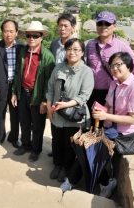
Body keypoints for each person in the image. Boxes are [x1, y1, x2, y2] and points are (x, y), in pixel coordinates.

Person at [61, 52, 134, 198]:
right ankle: (76, 180)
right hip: (110, 127)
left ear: (128, 65)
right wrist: (100, 110)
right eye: (112, 65)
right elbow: (108, 105)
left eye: (118, 64)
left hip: (127, 133)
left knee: (93, 147)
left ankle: (101, 182)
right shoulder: (114, 83)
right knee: (83, 142)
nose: (115, 68)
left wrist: (106, 116)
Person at [86, 11, 134, 127]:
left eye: (107, 24)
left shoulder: (121, 47)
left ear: (114, 26)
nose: (103, 27)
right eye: (100, 24)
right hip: (91, 93)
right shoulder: (90, 45)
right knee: (90, 126)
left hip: (110, 94)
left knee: (106, 127)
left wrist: (127, 91)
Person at [46, 38, 94, 182]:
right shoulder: (58, 67)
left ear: (82, 52)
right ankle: (57, 164)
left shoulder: (86, 72)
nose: (71, 52)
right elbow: (50, 88)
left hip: (74, 116)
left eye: (76, 49)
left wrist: (65, 105)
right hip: (56, 113)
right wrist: (49, 107)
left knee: (70, 144)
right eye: (68, 49)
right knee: (57, 141)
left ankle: (65, 168)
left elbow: (84, 96)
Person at [11, 21, 55, 162]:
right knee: (24, 122)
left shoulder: (47, 56)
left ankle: (36, 149)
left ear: (41, 37)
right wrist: (14, 92)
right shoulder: (24, 51)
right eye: (29, 35)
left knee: (37, 125)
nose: (32, 38)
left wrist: (44, 100)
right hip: (23, 93)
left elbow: (50, 82)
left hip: (37, 96)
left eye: (35, 36)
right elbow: (18, 73)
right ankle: (25, 145)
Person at [0, 20, 25, 149]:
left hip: (16, 87)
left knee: (15, 115)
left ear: (16, 32)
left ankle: (14, 138)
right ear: (2, 32)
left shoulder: (22, 47)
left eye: (11, 31)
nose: (8, 34)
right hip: (0, 86)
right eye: (6, 31)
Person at [48, 12, 77, 157]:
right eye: (60, 25)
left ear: (73, 27)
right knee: (55, 121)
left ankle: (67, 156)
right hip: (56, 87)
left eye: (66, 26)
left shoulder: (77, 45)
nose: (62, 28)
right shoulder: (54, 43)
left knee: (69, 123)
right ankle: (56, 151)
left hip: (71, 89)